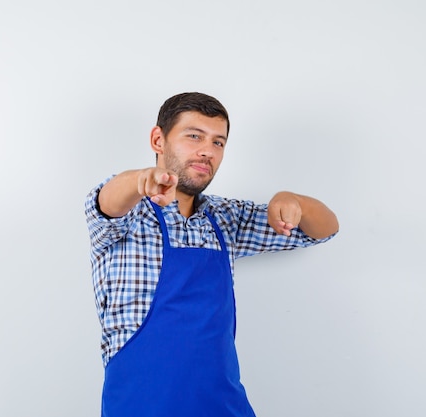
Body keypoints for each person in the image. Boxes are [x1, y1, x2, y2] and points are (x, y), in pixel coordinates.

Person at [85, 92, 339, 417]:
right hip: (141, 406)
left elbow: (325, 229)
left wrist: (293, 201)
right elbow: (109, 200)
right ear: (158, 139)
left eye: (218, 142)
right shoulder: (128, 214)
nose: (207, 151)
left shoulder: (226, 218)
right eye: (194, 136)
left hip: (222, 406)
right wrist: (140, 180)